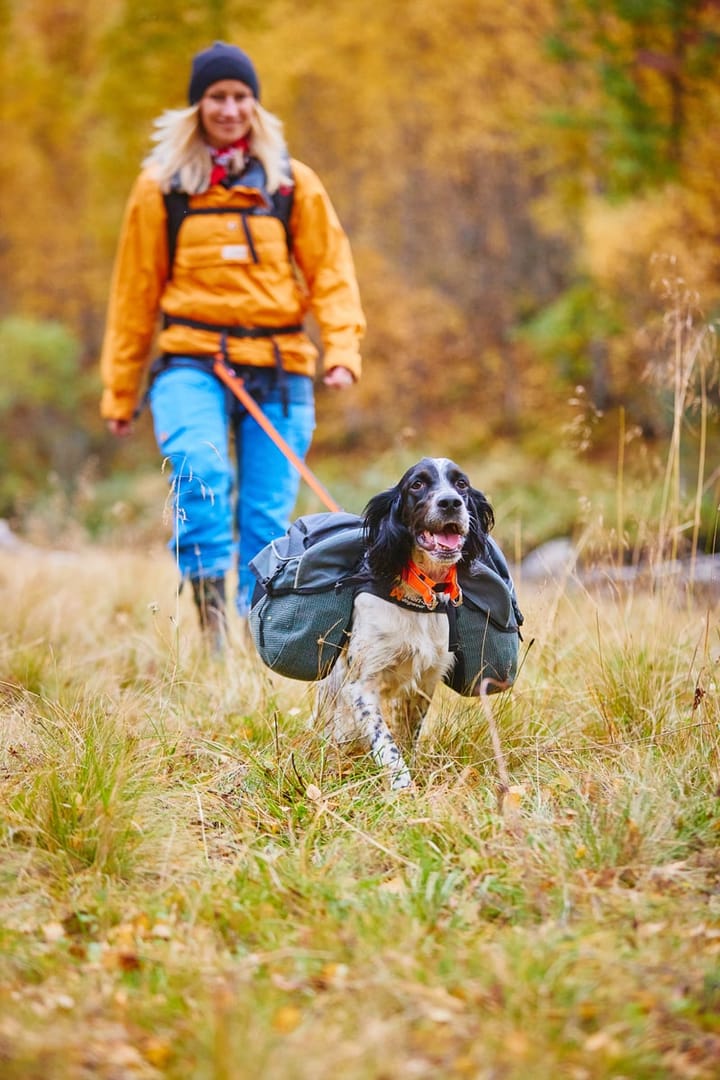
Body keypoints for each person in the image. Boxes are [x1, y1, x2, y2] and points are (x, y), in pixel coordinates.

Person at [100, 41, 365, 647]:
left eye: (240, 96)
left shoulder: (292, 184)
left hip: (278, 365)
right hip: (190, 361)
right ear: (197, 106)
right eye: (217, 96)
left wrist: (343, 351)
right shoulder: (161, 188)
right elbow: (134, 293)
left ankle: (255, 638)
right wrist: (120, 391)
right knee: (197, 472)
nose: (229, 108)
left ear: (255, 104)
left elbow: (332, 272)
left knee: (268, 518)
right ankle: (214, 629)